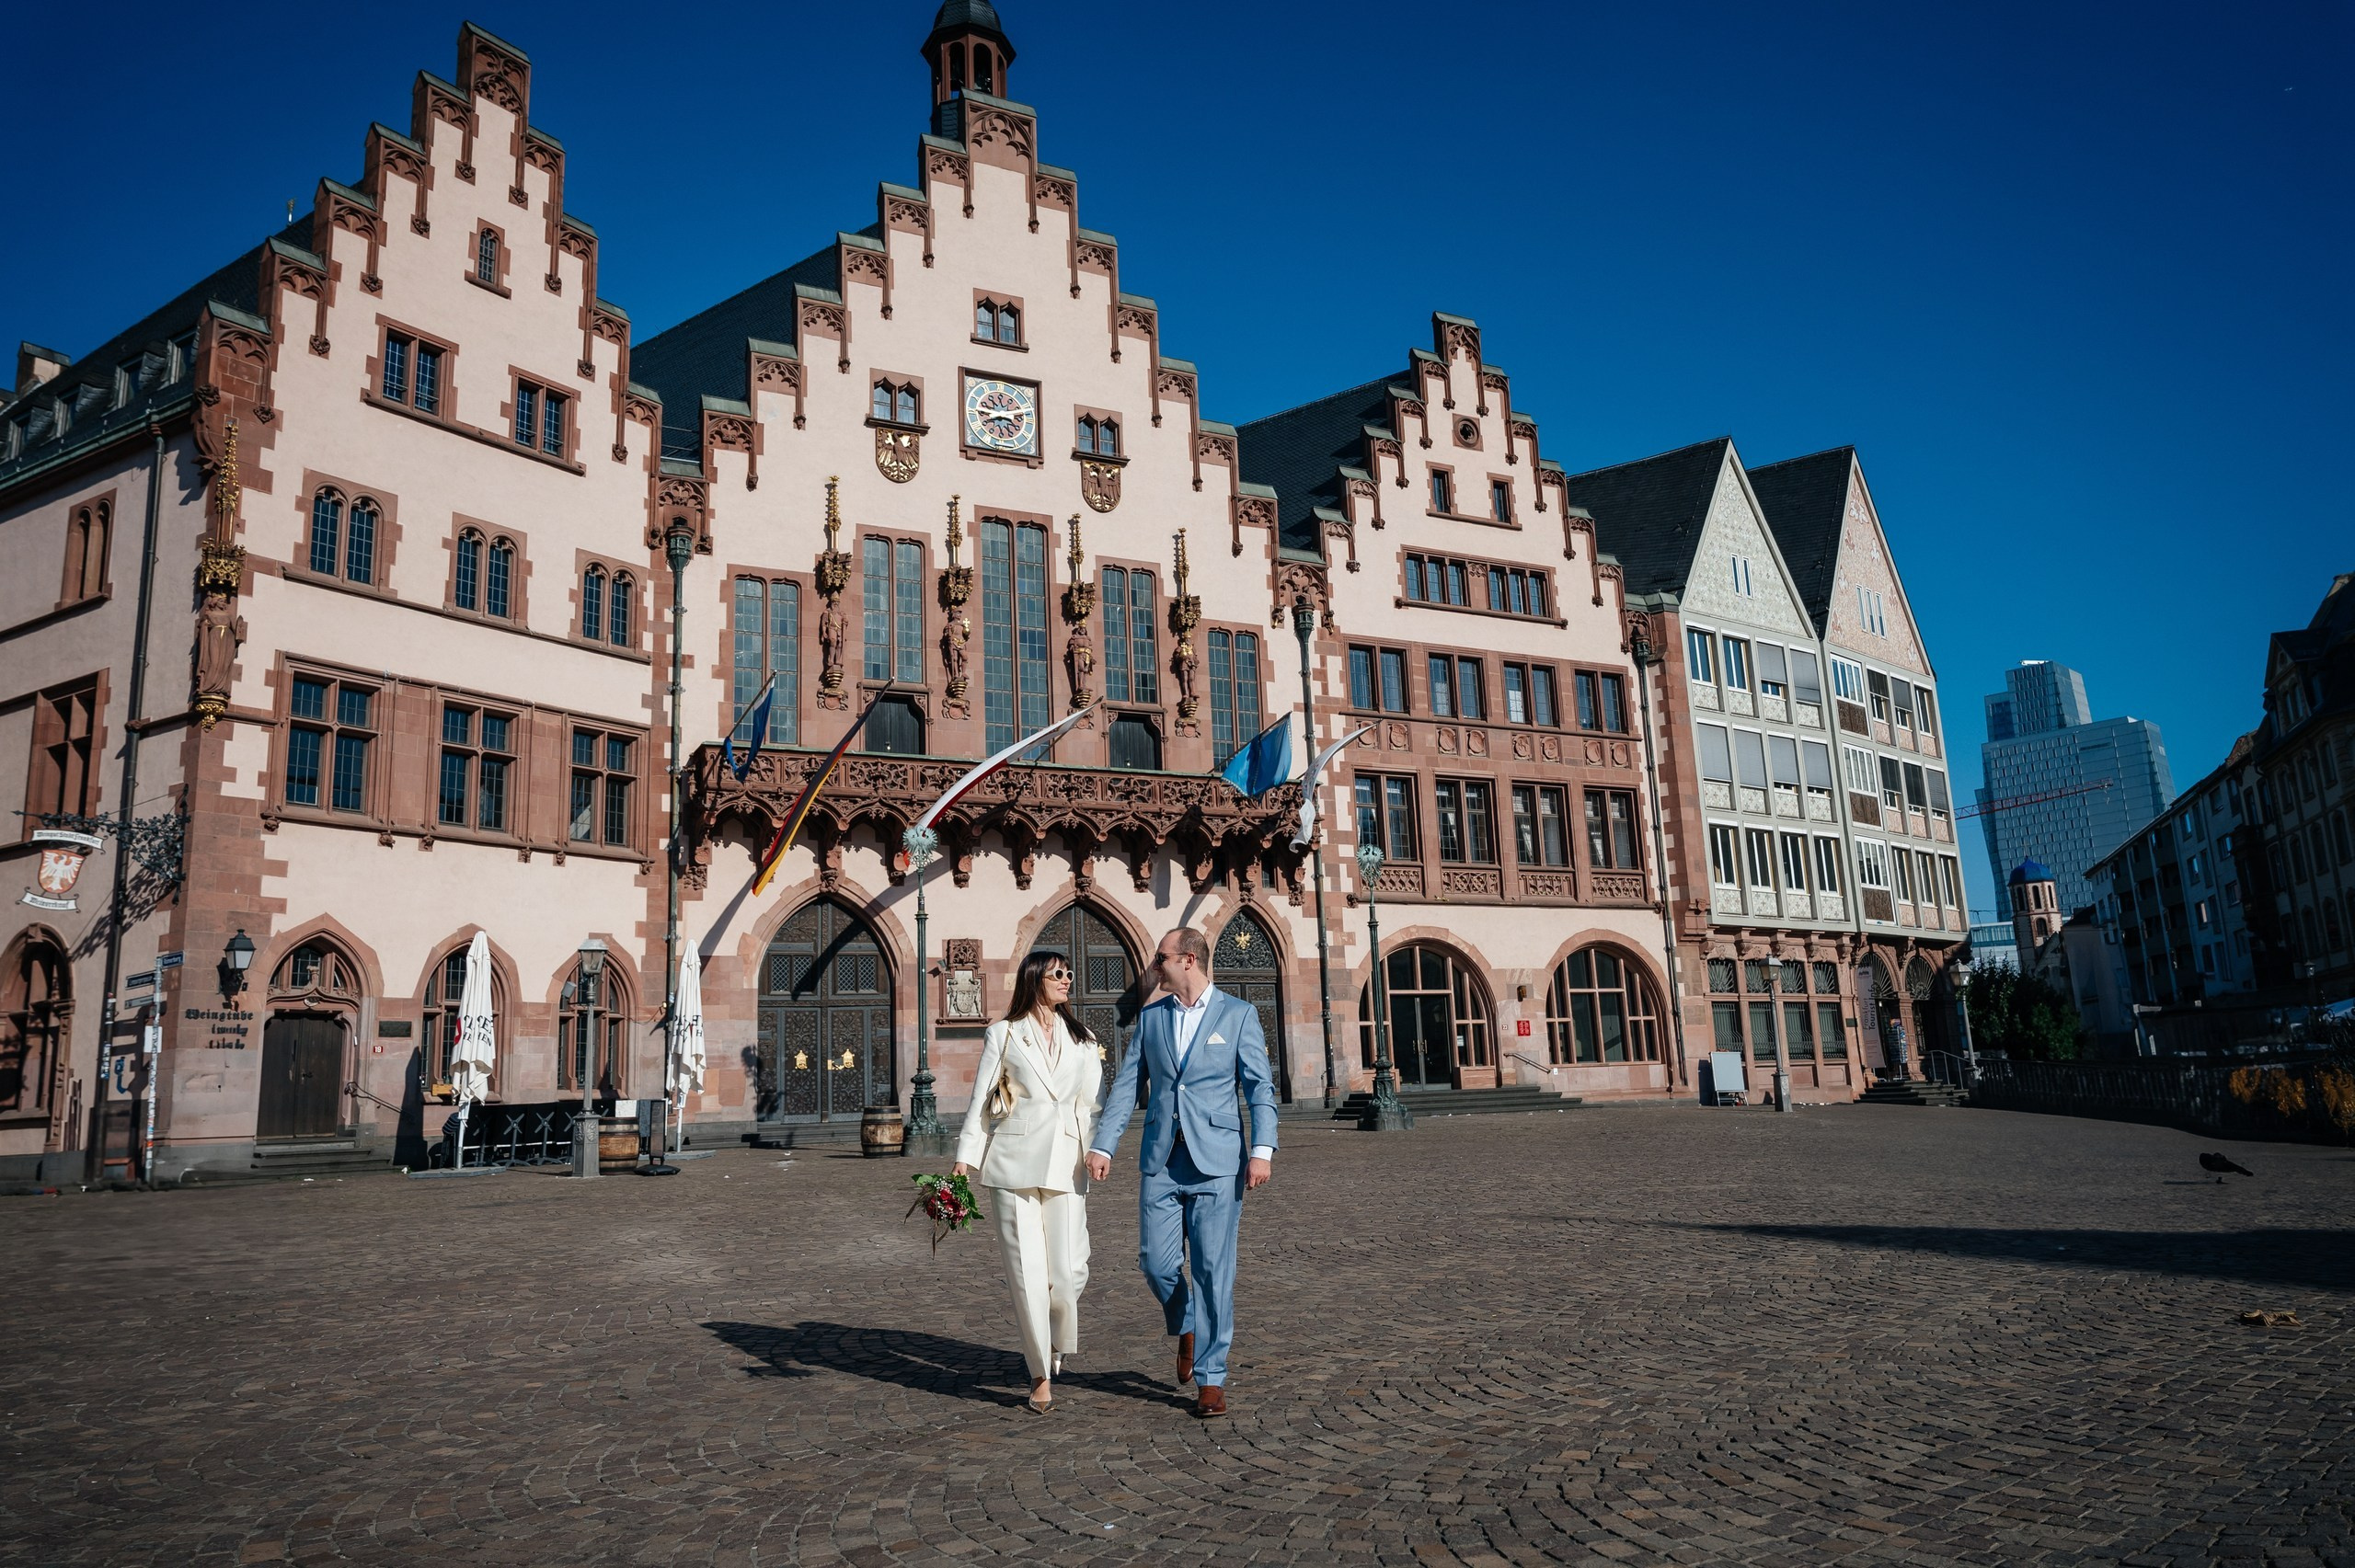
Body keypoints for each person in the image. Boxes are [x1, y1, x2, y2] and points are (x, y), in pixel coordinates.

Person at [1085, 926, 1279, 1419]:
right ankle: (1186, 1321)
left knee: (1214, 1271)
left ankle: (1212, 1379)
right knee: (1155, 1262)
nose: (1154, 966)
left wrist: (1262, 1150)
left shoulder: (1239, 1015)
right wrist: (1104, 1144)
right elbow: (1127, 1087)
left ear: (1188, 960)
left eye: (1161, 959)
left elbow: (1259, 1088)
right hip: (1161, 1160)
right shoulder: (1151, 1019)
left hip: (1219, 1161)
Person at [954, 949, 1103, 1414]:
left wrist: (1098, 1149)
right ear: (1035, 978)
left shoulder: (1084, 1038)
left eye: (1070, 972)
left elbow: (1091, 1104)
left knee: (1069, 1270)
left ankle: (1056, 1342)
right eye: (1058, 972)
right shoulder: (1003, 1033)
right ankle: (1040, 1372)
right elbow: (982, 1097)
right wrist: (965, 1158)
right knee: (1027, 1274)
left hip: (1067, 1162)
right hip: (1013, 1162)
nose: (1067, 979)